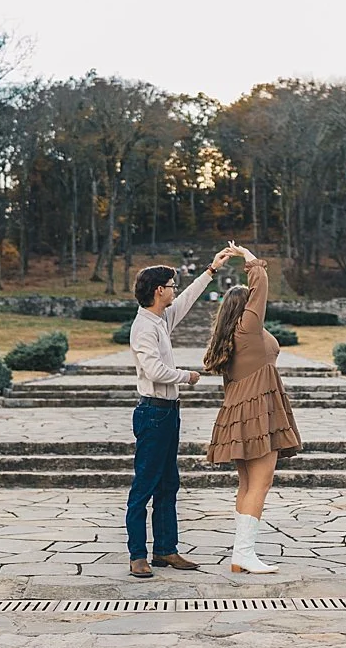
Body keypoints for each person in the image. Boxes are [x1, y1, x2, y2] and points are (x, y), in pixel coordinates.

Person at [127, 248, 241, 579]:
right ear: (158, 290)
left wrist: (212, 270)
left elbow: (188, 300)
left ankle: (165, 549)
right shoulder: (143, 327)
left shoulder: (160, 319)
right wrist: (186, 376)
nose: (175, 289)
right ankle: (137, 555)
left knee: (168, 484)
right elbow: (154, 371)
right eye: (171, 285)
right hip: (152, 413)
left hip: (168, 412)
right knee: (145, 484)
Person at [199, 246, 302, 573]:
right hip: (258, 413)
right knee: (260, 483)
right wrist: (248, 257)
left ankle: (241, 555)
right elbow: (261, 286)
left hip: (241, 413)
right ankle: (243, 554)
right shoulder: (247, 328)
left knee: (247, 484)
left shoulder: (232, 335)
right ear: (245, 309)